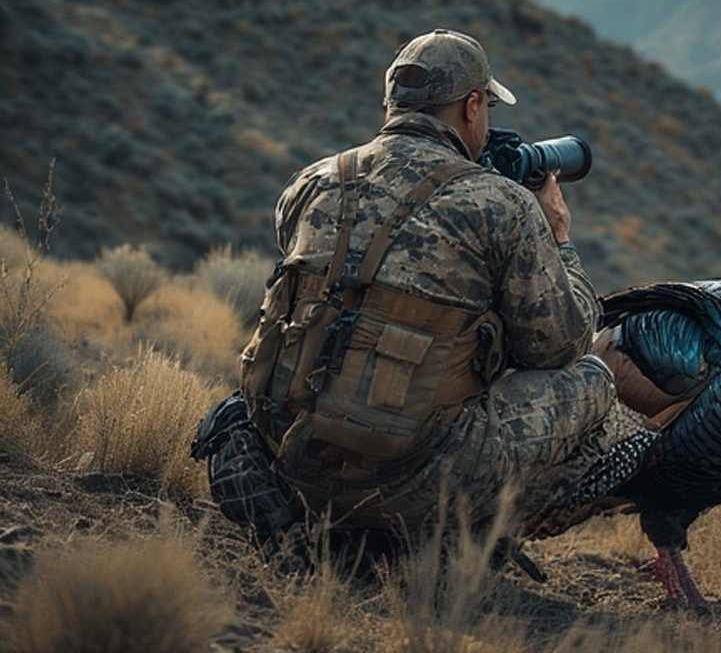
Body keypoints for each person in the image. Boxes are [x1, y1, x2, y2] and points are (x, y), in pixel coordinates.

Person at [197, 30, 642, 554]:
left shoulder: (311, 183)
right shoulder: (502, 207)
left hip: (294, 450)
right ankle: (467, 537)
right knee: (590, 378)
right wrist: (559, 238)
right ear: (473, 106)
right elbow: (559, 344)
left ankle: (313, 515)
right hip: (417, 474)